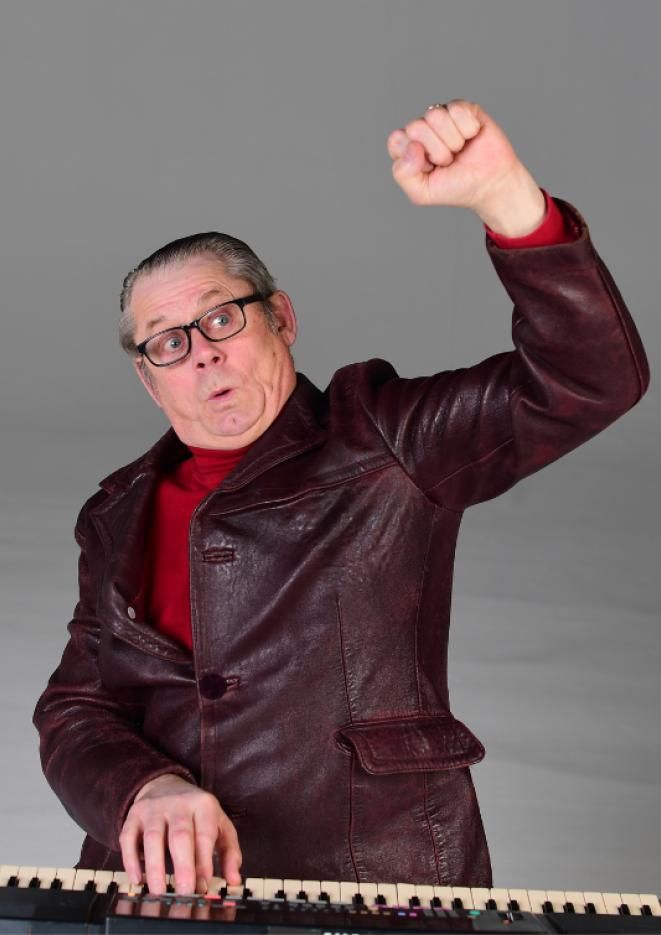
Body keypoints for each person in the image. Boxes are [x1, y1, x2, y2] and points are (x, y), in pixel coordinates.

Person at [34, 99, 649, 896]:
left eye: (222, 317)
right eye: (169, 342)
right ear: (148, 378)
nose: (204, 356)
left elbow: (588, 377)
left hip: (370, 880)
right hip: (168, 893)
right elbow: (75, 708)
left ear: (280, 318)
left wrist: (509, 203)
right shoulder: (115, 512)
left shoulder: (382, 434)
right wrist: (141, 790)